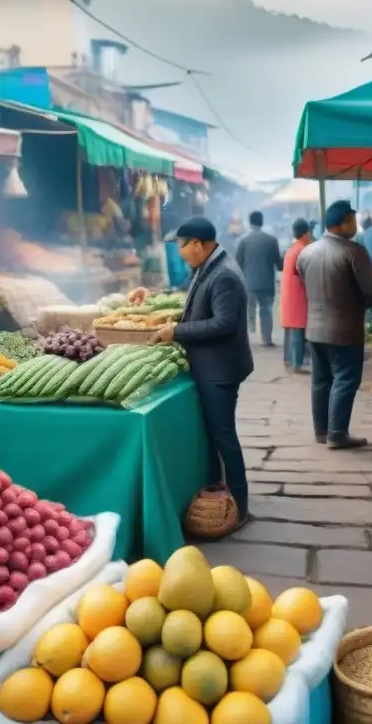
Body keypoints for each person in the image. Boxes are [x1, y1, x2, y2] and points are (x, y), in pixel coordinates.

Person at [153, 217, 254, 522]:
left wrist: (177, 332)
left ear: (197, 244)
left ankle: (239, 507)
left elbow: (223, 323)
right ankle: (219, 495)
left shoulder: (223, 275)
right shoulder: (208, 266)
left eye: (182, 246)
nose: (181, 252)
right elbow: (200, 308)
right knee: (216, 436)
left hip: (219, 369)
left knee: (224, 437)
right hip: (211, 365)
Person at [297, 200, 372, 449]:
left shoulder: (307, 252)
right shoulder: (354, 252)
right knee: (345, 379)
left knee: (321, 380)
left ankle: (321, 430)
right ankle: (337, 433)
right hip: (345, 328)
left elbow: (306, 285)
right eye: (353, 220)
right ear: (344, 222)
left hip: (314, 328)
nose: (356, 225)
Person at [235, 210, 283, 347]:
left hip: (248, 283)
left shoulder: (243, 240)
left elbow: (238, 263)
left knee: (249, 308)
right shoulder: (271, 240)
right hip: (266, 283)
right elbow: (279, 264)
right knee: (266, 310)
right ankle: (266, 339)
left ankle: (250, 334)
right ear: (261, 222)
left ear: (250, 222)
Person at [281, 218, 312, 373]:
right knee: (298, 330)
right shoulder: (302, 250)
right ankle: (297, 363)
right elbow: (305, 275)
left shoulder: (292, 249)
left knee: (291, 329)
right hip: (298, 295)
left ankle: (288, 359)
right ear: (305, 233)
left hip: (289, 295)